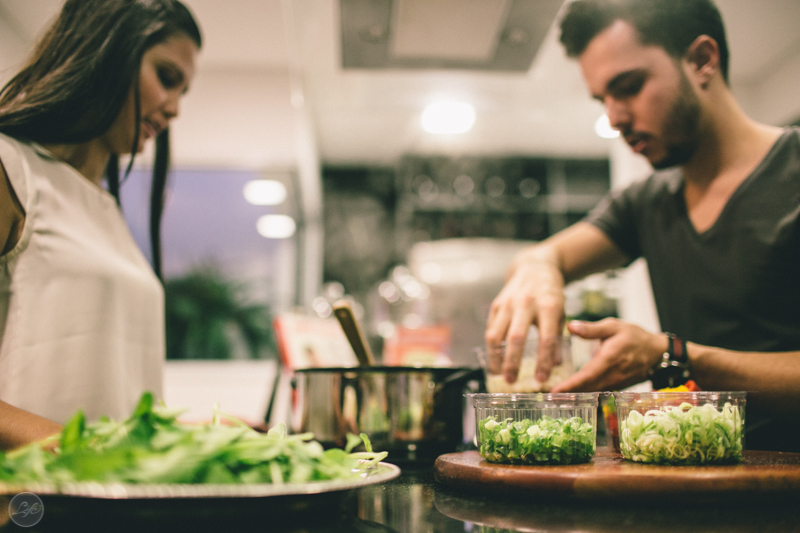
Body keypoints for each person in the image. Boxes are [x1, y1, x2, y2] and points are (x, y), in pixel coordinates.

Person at [485, 0, 800, 452]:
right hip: (695, 487)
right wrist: (538, 268)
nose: (614, 118)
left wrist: (671, 356)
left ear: (701, 60)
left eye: (628, 87)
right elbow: (544, 255)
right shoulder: (646, 202)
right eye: (603, 100)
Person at [0, 0, 201, 449]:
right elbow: (99, 436)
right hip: (27, 511)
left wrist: (197, 437)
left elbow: (112, 406)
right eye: (167, 78)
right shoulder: (10, 168)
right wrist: (92, 450)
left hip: (111, 507)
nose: (174, 111)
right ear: (108, 50)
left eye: (183, 92)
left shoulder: (106, 210)